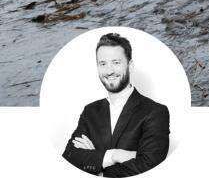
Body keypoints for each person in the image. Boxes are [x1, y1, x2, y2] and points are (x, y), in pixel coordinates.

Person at [62, 32, 170, 176]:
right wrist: (113, 155)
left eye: (116, 62)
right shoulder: (90, 111)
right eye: (103, 63)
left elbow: (150, 163)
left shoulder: (155, 112)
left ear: (130, 65)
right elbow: (69, 156)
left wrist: (98, 166)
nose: (109, 71)